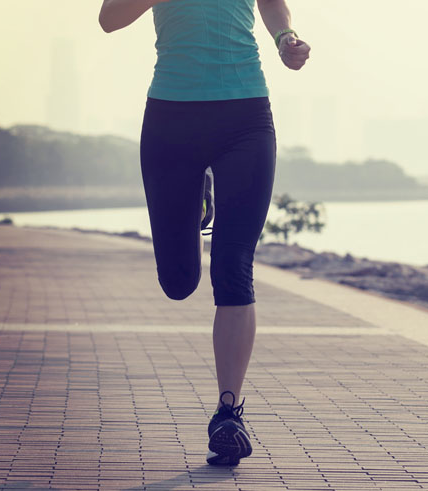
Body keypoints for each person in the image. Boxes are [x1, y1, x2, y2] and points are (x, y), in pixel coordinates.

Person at [98, 0, 310, 466]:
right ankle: (199, 192)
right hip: (172, 119)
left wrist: (284, 39)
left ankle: (229, 412)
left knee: (233, 265)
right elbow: (109, 19)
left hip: (245, 116)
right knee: (178, 282)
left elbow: (273, 5)